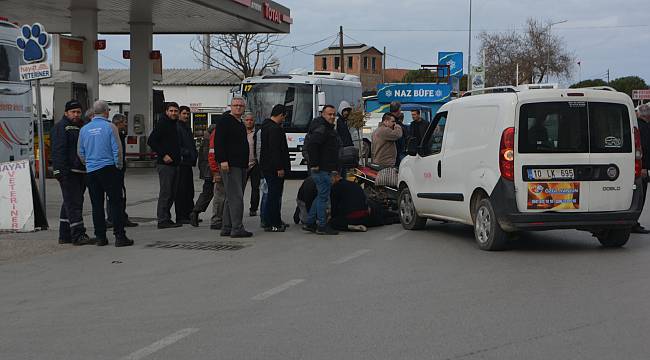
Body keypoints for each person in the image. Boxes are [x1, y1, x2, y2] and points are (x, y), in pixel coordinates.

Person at [77, 100, 133, 247]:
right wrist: (119, 166)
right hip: (108, 169)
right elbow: (117, 149)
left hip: (91, 171)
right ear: (106, 112)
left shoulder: (84, 129)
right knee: (115, 202)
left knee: (97, 205)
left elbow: (80, 152)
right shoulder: (110, 127)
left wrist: (88, 164)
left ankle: (100, 237)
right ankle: (120, 236)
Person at [50, 100, 93, 245]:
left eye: (78, 112)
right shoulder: (61, 127)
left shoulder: (80, 127)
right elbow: (58, 151)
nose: (76, 114)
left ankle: (65, 234)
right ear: (66, 113)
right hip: (68, 172)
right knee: (74, 203)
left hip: (80, 171)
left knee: (69, 203)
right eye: (73, 112)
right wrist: (59, 171)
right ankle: (78, 235)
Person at [214, 96, 253, 238]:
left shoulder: (240, 123)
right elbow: (219, 142)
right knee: (236, 197)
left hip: (241, 165)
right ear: (230, 106)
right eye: (235, 105)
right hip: (230, 165)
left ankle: (227, 227)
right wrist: (223, 160)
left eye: (241, 106)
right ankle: (237, 228)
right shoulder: (225, 121)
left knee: (232, 197)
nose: (238, 107)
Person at [303, 104, 340, 235]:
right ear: (323, 114)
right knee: (323, 197)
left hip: (325, 168)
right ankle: (322, 226)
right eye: (329, 114)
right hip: (321, 169)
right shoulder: (322, 128)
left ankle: (310, 222)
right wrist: (315, 164)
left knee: (321, 196)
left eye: (333, 114)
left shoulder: (327, 128)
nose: (332, 117)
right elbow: (312, 145)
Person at [148, 102, 182, 229]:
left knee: (172, 192)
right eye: (171, 111)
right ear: (167, 112)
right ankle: (162, 219)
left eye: (175, 111)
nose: (173, 113)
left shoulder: (174, 125)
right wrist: (163, 154)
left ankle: (166, 218)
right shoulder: (163, 123)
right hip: (165, 165)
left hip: (175, 164)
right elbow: (151, 140)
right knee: (166, 192)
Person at [329, 172, 398, 231]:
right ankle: (398, 216)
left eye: (331, 180)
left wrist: (333, 217)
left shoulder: (335, 188)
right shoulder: (354, 184)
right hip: (366, 215)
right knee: (380, 213)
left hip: (352, 219)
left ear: (335, 178)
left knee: (332, 222)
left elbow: (334, 209)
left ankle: (351, 227)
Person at [260, 104, 290, 232]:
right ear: (281, 115)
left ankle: (271, 220)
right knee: (274, 196)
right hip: (274, 169)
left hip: (267, 167)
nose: (284, 119)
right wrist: (279, 167)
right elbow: (275, 150)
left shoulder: (266, 127)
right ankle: (273, 223)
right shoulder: (275, 129)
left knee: (271, 195)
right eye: (284, 117)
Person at [106, 113, 138, 228]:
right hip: (114, 169)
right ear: (118, 123)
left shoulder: (121, 134)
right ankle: (111, 218)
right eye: (124, 122)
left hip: (119, 169)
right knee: (113, 195)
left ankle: (121, 217)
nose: (126, 125)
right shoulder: (112, 134)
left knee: (122, 194)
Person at [175, 105, 198, 224]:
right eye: (184, 113)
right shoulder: (177, 127)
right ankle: (181, 216)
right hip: (182, 162)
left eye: (188, 114)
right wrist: (187, 152)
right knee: (181, 190)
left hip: (188, 163)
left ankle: (190, 213)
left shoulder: (187, 128)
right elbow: (177, 146)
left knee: (189, 190)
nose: (186, 116)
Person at [190, 124, 216, 227]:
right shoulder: (210, 141)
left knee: (206, 193)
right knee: (215, 194)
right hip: (212, 171)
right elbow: (208, 157)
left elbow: (201, 159)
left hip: (207, 171)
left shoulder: (205, 140)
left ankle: (195, 211)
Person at [206, 123, 227, 230]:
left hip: (230, 169)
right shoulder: (218, 132)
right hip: (220, 169)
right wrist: (215, 172)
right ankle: (216, 220)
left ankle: (224, 218)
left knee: (224, 196)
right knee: (220, 195)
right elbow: (212, 153)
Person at [634, 104, 650, 234]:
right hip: (641, 168)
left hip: (639, 166)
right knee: (640, 196)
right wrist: (644, 167)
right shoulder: (643, 127)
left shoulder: (636, 125)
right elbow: (643, 147)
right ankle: (634, 223)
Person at [244, 112, 261, 217]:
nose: (249, 122)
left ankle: (253, 209)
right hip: (242, 165)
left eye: (251, 120)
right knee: (240, 188)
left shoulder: (258, 133)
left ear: (254, 121)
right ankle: (237, 208)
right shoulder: (240, 132)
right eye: (247, 120)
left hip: (255, 164)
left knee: (255, 188)